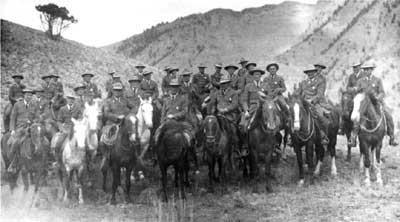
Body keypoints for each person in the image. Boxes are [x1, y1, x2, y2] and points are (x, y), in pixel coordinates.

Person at [349, 62, 398, 146]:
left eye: (368, 69)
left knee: (388, 115)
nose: (366, 71)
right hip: (364, 104)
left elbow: (382, 92)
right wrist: (355, 91)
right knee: (356, 116)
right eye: (365, 69)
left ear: (372, 70)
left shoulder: (377, 80)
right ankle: (353, 137)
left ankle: (391, 137)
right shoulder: (360, 81)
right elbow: (357, 92)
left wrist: (378, 98)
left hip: (376, 103)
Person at [297, 65, 331, 145]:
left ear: (315, 73)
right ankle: (292, 137)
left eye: (312, 72)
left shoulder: (320, 81)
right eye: (308, 72)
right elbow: (299, 92)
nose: (310, 74)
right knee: (294, 114)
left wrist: (312, 100)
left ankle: (323, 135)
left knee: (320, 116)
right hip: (303, 102)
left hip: (315, 103)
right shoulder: (303, 83)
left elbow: (320, 94)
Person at [8, 88, 40, 171]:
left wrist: (34, 122)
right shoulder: (17, 104)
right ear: (24, 95)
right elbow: (13, 117)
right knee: (15, 143)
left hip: (32, 128)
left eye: (30, 95)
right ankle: (13, 162)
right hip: (20, 128)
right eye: (27, 95)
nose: (28, 96)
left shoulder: (35, 104)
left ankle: (42, 163)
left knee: (42, 141)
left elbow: (37, 117)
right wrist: (12, 129)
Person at [154, 78, 192, 143]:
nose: (174, 89)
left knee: (189, 136)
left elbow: (184, 112)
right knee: (157, 135)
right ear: (169, 88)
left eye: (176, 87)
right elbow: (163, 113)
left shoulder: (183, 99)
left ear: (178, 88)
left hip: (180, 122)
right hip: (167, 122)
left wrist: (174, 116)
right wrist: (162, 122)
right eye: (172, 87)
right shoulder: (166, 99)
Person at [52, 93, 82, 167]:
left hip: (76, 128)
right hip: (66, 128)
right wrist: (62, 129)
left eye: (72, 99)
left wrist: (78, 125)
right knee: (58, 143)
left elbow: (81, 118)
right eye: (69, 99)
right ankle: (58, 160)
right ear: (67, 100)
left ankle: (86, 161)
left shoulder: (78, 108)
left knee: (83, 143)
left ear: (74, 100)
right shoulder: (63, 109)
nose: (70, 101)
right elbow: (59, 120)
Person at [208, 75, 240, 145]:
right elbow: (214, 103)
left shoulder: (233, 93)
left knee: (233, 130)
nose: (223, 85)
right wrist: (213, 111)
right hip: (219, 115)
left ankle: (236, 148)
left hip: (230, 116)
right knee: (209, 126)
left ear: (228, 84)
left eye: (225, 83)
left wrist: (226, 109)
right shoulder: (218, 93)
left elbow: (235, 105)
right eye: (222, 84)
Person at [239, 69, 265, 148]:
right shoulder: (248, 86)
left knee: (274, 123)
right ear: (253, 76)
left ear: (260, 76)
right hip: (252, 108)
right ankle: (245, 144)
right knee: (243, 125)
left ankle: (275, 144)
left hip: (264, 108)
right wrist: (246, 110)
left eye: (258, 74)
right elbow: (244, 100)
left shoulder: (265, 85)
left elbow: (269, 97)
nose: (257, 76)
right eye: (255, 75)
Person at [338, 60, 363, 134]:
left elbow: (364, 86)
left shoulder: (364, 75)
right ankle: (342, 126)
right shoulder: (351, 76)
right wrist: (353, 89)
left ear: (359, 67)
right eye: (354, 67)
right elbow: (348, 87)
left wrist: (357, 89)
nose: (355, 69)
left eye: (356, 67)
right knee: (344, 103)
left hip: (361, 96)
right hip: (352, 96)